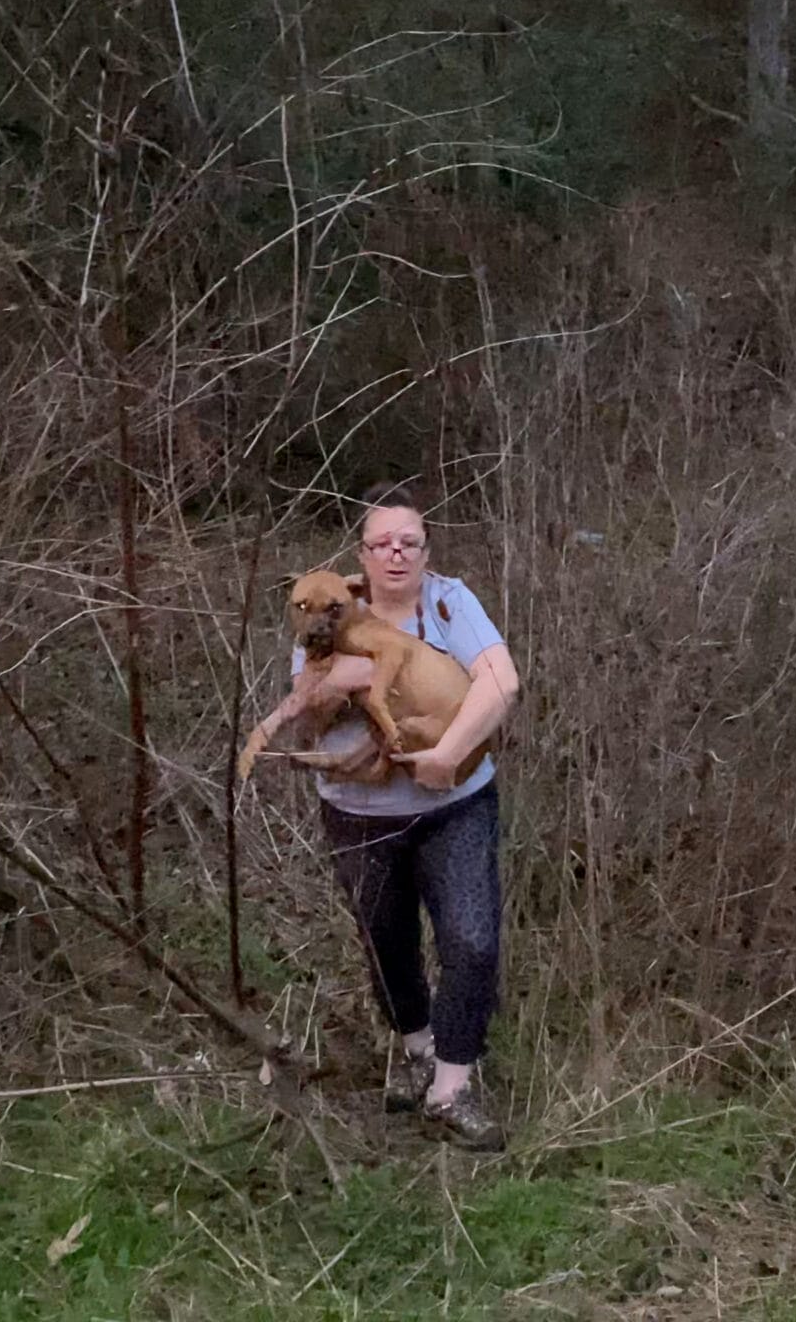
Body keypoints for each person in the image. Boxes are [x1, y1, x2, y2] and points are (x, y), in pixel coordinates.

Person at [268, 482, 521, 1149]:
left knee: (471, 941)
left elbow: (501, 681)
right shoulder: (324, 607)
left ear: (426, 551)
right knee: (387, 944)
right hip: (358, 815)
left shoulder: (448, 602)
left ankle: (453, 1087)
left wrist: (449, 753)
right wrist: (342, 681)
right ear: (363, 554)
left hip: (455, 806)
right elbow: (309, 710)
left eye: (409, 541)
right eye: (382, 543)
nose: (397, 553)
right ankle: (418, 1051)